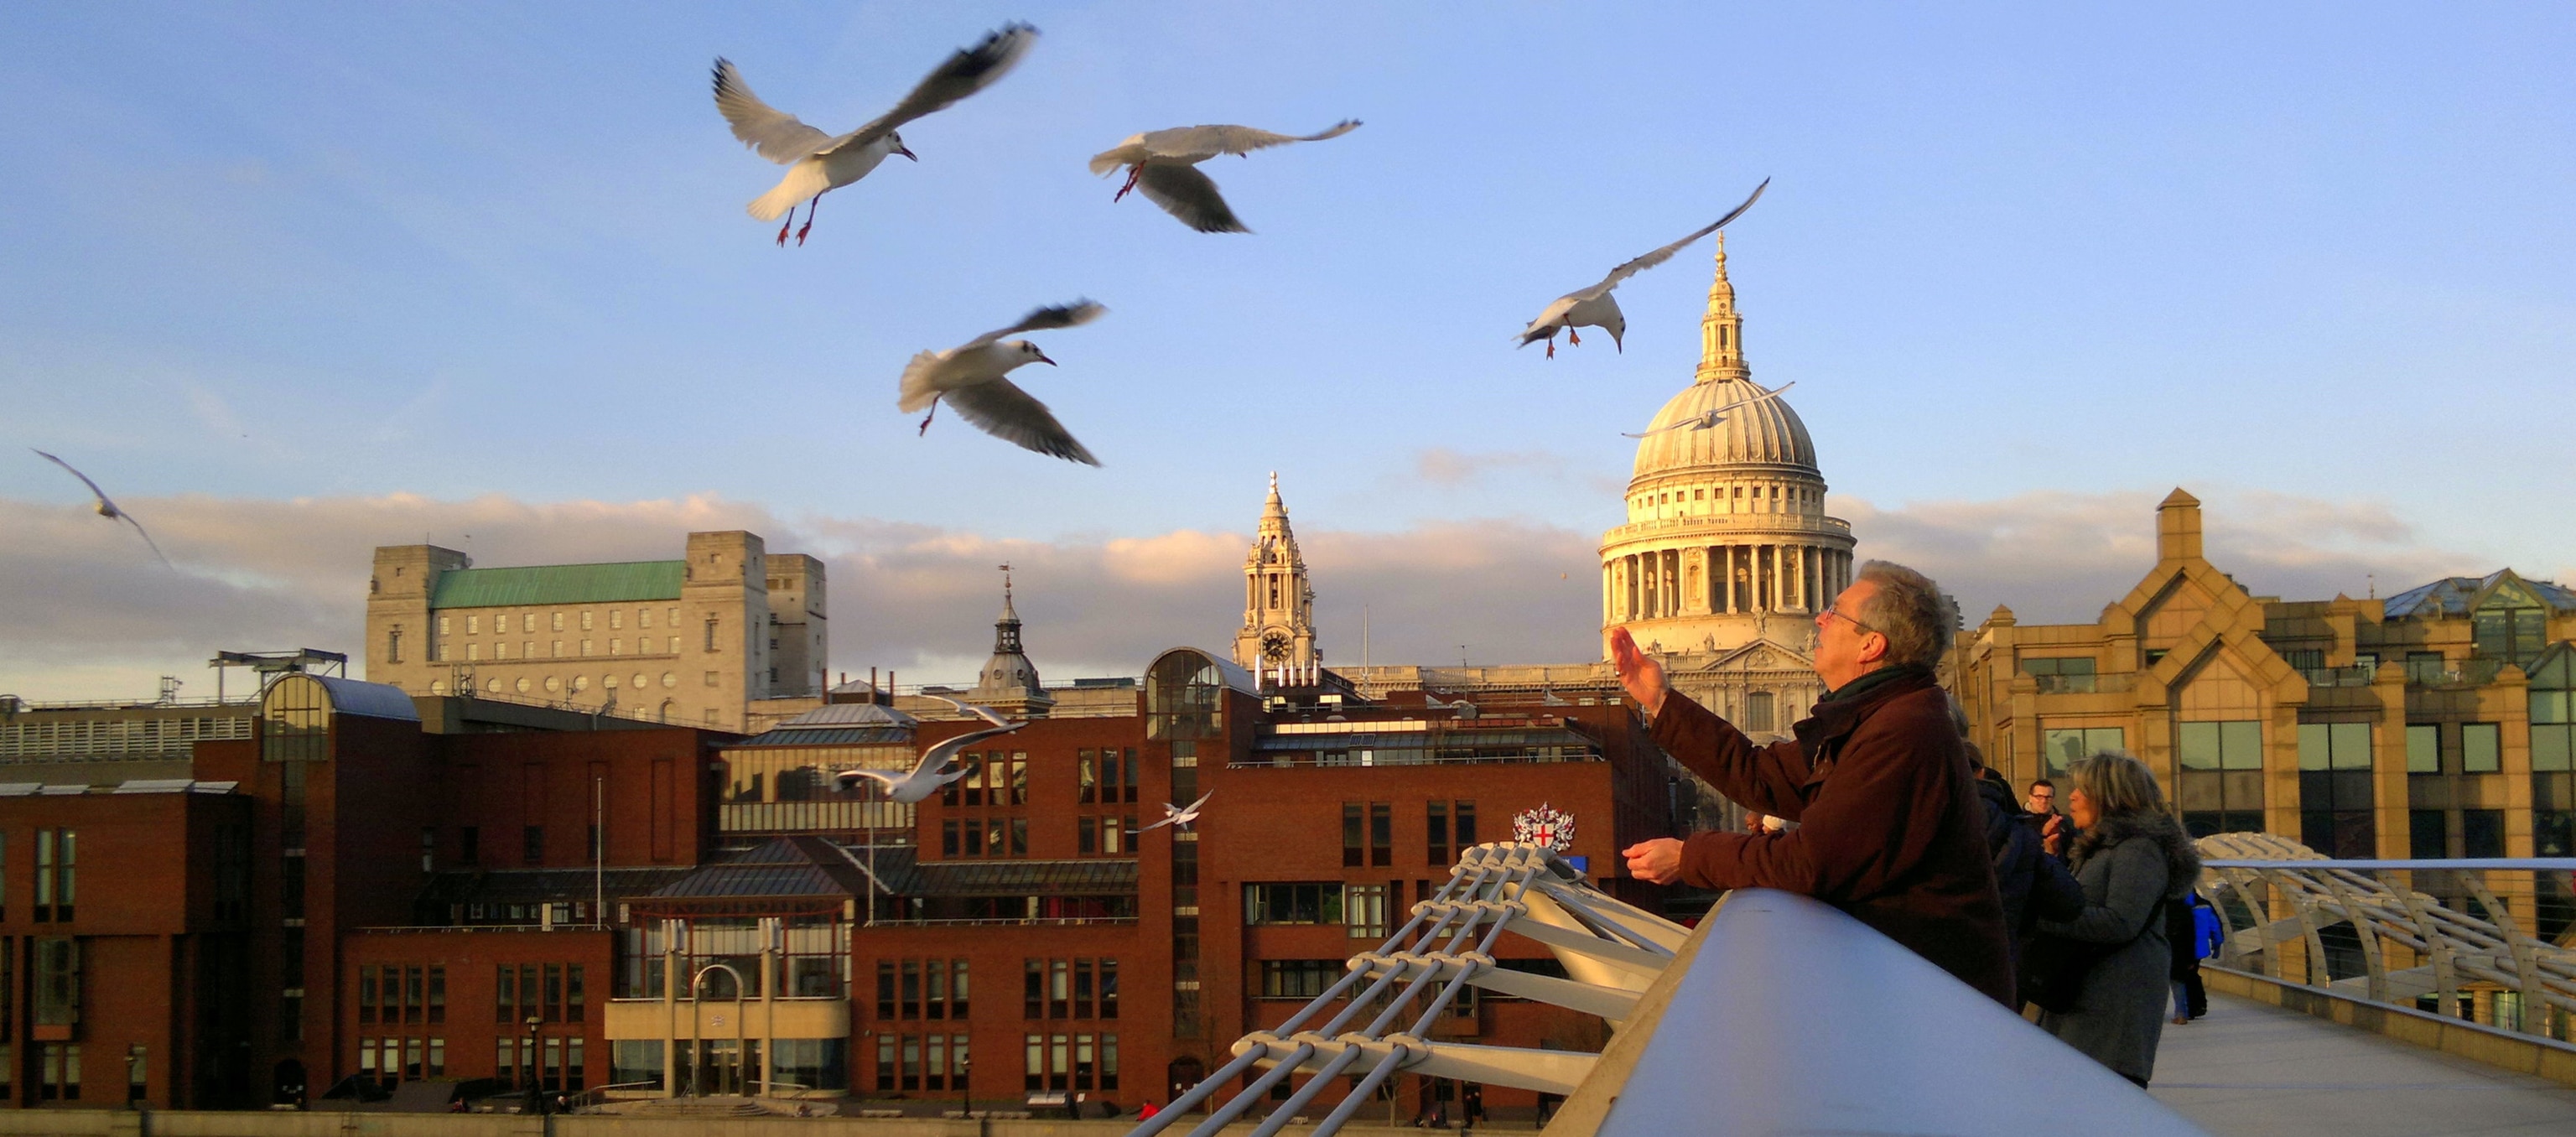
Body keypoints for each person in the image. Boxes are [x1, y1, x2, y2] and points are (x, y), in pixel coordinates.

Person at [1614, 560, 2016, 1005]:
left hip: (1932, 998)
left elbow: (1814, 862)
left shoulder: (1903, 730)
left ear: (1871, 645)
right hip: (1907, 979)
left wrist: (1690, 856)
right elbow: (1760, 775)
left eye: (1834, 613)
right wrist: (1660, 700)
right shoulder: (1870, 717)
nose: (1819, 619)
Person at [2033, 752, 2203, 1087]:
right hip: (2091, 992)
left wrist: (2040, 917)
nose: (2072, 796)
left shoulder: (2138, 849)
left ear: (2110, 797)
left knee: (2098, 1096)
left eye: (2082, 789)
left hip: (2114, 1000)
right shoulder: (2103, 847)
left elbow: (2121, 921)